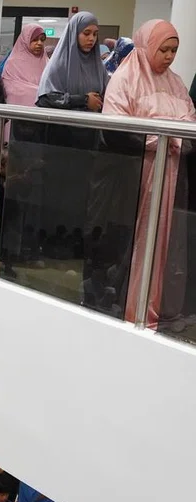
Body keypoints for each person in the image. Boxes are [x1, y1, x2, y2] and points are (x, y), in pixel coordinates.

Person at [104, 19, 196, 326]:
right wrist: (161, 138)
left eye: (174, 50)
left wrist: (172, 141)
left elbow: (190, 120)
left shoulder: (176, 83)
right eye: (164, 49)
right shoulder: (125, 78)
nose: (169, 56)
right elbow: (116, 126)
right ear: (147, 47)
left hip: (172, 174)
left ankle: (163, 307)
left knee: (170, 240)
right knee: (139, 239)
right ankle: (132, 306)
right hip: (137, 174)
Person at [37, 12, 108, 113]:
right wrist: (83, 100)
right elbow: (45, 99)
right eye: (86, 33)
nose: (92, 38)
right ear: (74, 34)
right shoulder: (59, 65)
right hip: (63, 126)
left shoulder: (99, 67)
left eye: (95, 34)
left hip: (91, 125)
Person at [2, 24, 48, 108]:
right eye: (34, 40)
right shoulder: (13, 63)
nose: (39, 43)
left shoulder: (47, 62)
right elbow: (12, 90)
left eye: (42, 40)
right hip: (21, 115)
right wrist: (43, 95)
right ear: (25, 40)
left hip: (45, 115)